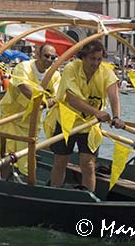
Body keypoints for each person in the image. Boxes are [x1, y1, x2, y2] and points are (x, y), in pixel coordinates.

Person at [47, 40, 125, 192]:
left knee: (88, 164)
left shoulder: (106, 72)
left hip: (89, 124)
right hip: (66, 121)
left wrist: (116, 117)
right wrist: (97, 112)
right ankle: (54, 191)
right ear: (83, 57)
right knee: (61, 161)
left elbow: (113, 94)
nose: (95, 63)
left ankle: (90, 197)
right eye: (92, 59)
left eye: (99, 59)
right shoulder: (71, 68)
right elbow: (72, 99)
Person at [0, 44, 60, 176]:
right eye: (46, 56)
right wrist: (43, 101)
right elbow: (24, 88)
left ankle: (27, 181)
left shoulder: (54, 75)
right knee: (5, 154)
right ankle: (3, 180)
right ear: (38, 55)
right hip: (12, 117)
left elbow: (58, 95)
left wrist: (52, 100)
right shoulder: (24, 67)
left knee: (27, 158)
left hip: (31, 121)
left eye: (53, 57)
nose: (49, 60)